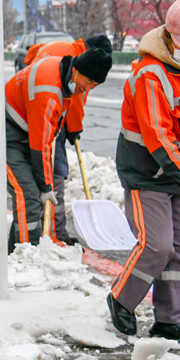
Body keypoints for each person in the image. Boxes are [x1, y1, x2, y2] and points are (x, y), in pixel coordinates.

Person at [107, 0, 180, 344]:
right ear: (170, 38)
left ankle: (169, 321)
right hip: (148, 174)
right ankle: (121, 299)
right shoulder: (150, 75)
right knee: (157, 246)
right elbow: (158, 137)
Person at [5, 48, 111, 250]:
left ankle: (13, 250)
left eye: (94, 86)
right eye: (88, 82)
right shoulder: (48, 92)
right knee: (27, 194)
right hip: (4, 132)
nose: (87, 89)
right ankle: (30, 254)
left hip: (23, 131)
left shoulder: (65, 74)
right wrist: (46, 186)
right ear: (78, 71)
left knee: (30, 194)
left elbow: (50, 130)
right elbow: (41, 144)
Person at [30, 34, 113, 244]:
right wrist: (74, 129)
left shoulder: (59, 46)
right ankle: (56, 234)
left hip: (30, 112)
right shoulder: (80, 64)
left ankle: (42, 228)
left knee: (38, 174)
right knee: (55, 172)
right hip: (50, 116)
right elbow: (74, 102)